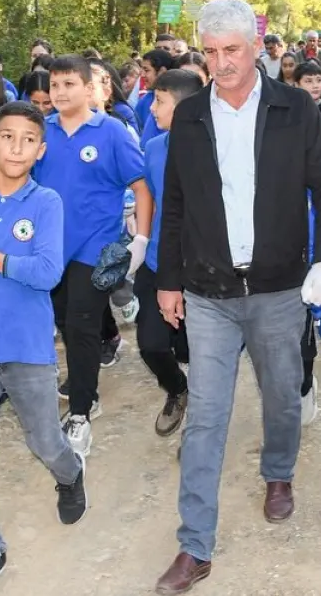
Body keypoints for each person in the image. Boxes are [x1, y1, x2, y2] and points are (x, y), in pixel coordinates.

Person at [153, 0, 321, 595]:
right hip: (208, 291)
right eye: (209, 53)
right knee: (207, 416)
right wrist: (167, 278)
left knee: (282, 395)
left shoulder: (295, 109)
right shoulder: (190, 118)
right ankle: (195, 546)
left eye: (231, 50)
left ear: (257, 47)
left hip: (279, 287)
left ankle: (279, 473)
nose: (221, 63)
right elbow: (176, 202)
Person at [0, 101, 88, 596]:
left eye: (28, 139)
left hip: (27, 350)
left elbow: (48, 273)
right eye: (8, 136)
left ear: (40, 149)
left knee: (45, 441)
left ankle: (70, 475)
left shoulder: (46, 203)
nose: (17, 147)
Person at [34, 55, 153, 458]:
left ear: (90, 88)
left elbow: (141, 187)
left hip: (95, 248)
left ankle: (82, 410)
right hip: (49, 249)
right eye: (55, 86)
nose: (60, 93)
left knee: (82, 322)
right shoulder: (40, 132)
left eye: (69, 84)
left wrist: (141, 240)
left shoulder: (113, 132)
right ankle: (84, 382)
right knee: (63, 319)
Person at [135, 69, 203, 438]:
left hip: (203, 268)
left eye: (159, 101)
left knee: (202, 352)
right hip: (160, 261)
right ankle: (177, 388)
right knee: (151, 344)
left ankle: (199, 433)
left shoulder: (215, 147)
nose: (152, 109)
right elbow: (151, 199)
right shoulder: (155, 148)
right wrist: (141, 240)